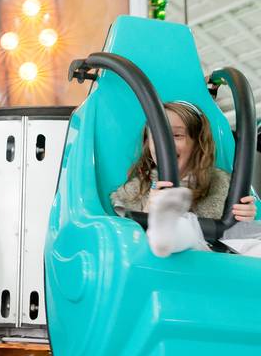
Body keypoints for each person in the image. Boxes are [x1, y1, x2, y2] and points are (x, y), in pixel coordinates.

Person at [111, 101, 259, 257]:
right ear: (148, 143)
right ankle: (164, 228)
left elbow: (236, 230)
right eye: (157, 136)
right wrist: (149, 210)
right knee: (185, 226)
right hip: (174, 255)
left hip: (220, 253)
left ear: (197, 143)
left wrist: (245, 215)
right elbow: (127, 237)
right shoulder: (138, 188)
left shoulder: (223, 184)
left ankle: (166, 228)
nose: (165, 144)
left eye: (177, 135)